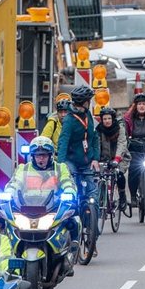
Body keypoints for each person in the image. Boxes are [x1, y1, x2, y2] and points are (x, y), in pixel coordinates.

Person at [4, 136, 79, 268]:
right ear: (32, 156)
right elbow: (15, 182)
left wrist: (69, 192)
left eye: (44, 155)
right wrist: (9, 191)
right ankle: (6, 254)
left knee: (73, 221)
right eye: (38, 155)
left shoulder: (60, 168)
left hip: (52, 207)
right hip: (26, 208)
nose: (41, 159)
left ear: (50, 156)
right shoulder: (24, 169)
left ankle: (72, 250)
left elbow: (68, 182)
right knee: (4, 221)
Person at [56, 85, 101, 246]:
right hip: (71, 161)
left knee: (93, 196)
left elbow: (94, 138)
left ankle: (93, 230)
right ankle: (71, 227)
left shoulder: (87, 114)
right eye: (89, 101)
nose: (91, 103)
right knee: (72, 193)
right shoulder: (69, 120)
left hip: (87, 161)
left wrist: (95, 158)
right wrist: (61, 166)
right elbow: (62, 143)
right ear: (84, 102)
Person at [96, 107, 129, 211]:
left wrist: (117, 159)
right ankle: (103, 197)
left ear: (113, 119)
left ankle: (122, 195)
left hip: (120, 157)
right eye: (104, 119)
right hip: (104, 158)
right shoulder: (98, 130)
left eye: (109, 118)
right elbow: (96, 145)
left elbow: (122, 144)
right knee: (100, 176)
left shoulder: (120, 128)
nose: (107, 121)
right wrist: (96, 159)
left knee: (119, 174)